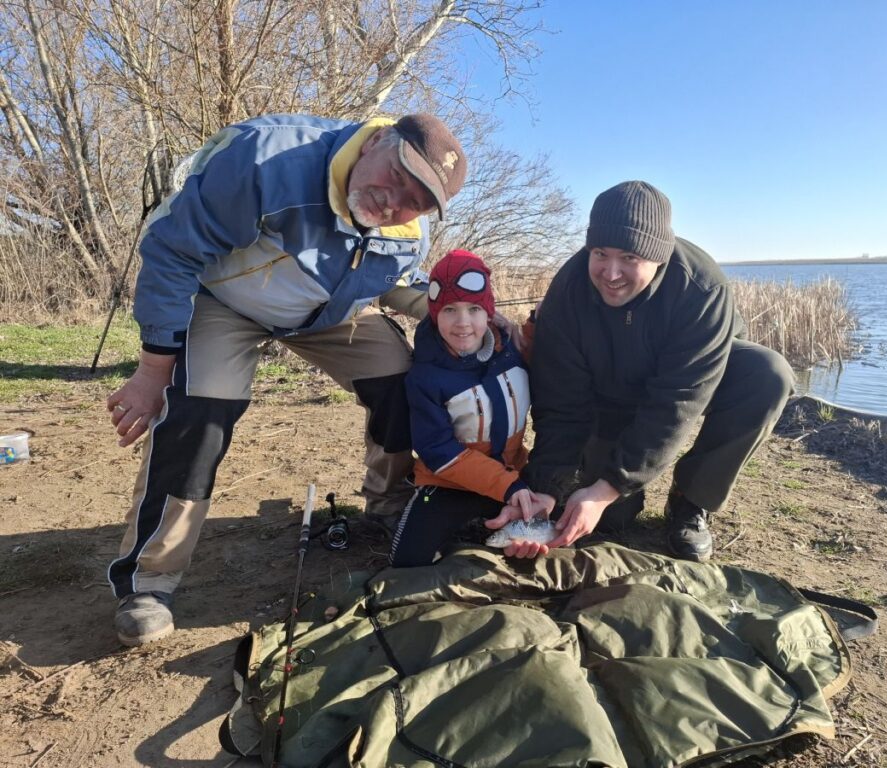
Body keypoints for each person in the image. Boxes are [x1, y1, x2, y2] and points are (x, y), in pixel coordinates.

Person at [105, 113, 467, 646]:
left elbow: (398, 285)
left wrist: (461, 311)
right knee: (201, 414)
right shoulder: (266, 159)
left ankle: (389, 508)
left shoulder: (409, 229)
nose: (394, 203)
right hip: (224, 301)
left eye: (414, 200)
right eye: (395, 177)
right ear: (375, 142)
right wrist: (153, 370)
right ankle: (149, 580)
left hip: (328, 315)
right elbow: (173, 251)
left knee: (399, 378)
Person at [522, 181, 795, 561]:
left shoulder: (701, 288)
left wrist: (606, 488)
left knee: (768, 374)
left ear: (658, 256)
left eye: (630, 258)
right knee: (612, 520)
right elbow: (560, 400)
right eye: (599, 253)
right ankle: (609, 484)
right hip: (608, 395)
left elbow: (677, 404)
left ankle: (691, 498)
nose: (611, 273)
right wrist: (549, 485)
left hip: (683, 383)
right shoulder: (568, 290)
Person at [390, 250, 555, 567]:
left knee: (531, 559)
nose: (463, 323)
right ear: (434, 313)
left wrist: (539, 319)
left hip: (514, 476)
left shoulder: (514, 350)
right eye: (449, 309)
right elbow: (438, 451)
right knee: (406, 561)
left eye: (474, 309)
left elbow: (547, 348)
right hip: (446, 483)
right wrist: (508, 487)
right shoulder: (423, 377)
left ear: (489, 313)